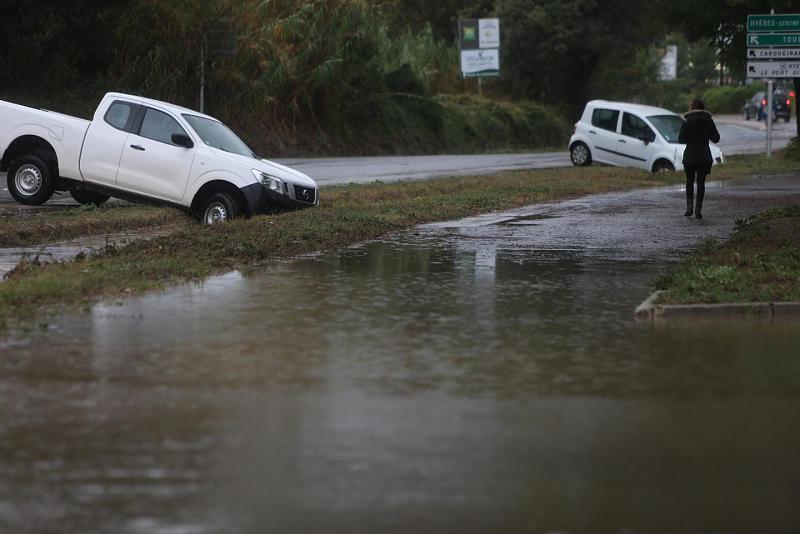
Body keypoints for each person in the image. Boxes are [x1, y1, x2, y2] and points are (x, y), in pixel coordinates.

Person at [678, 99, 720, 219]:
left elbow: (681, 139)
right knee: (701, 183)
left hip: (690, 156)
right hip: (704, 156)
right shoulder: (708, 121)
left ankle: (689, 208)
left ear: (691, 108)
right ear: (703, 108)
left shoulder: (687, 122)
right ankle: (698, 210)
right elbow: (716, 138)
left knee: (689, 181)